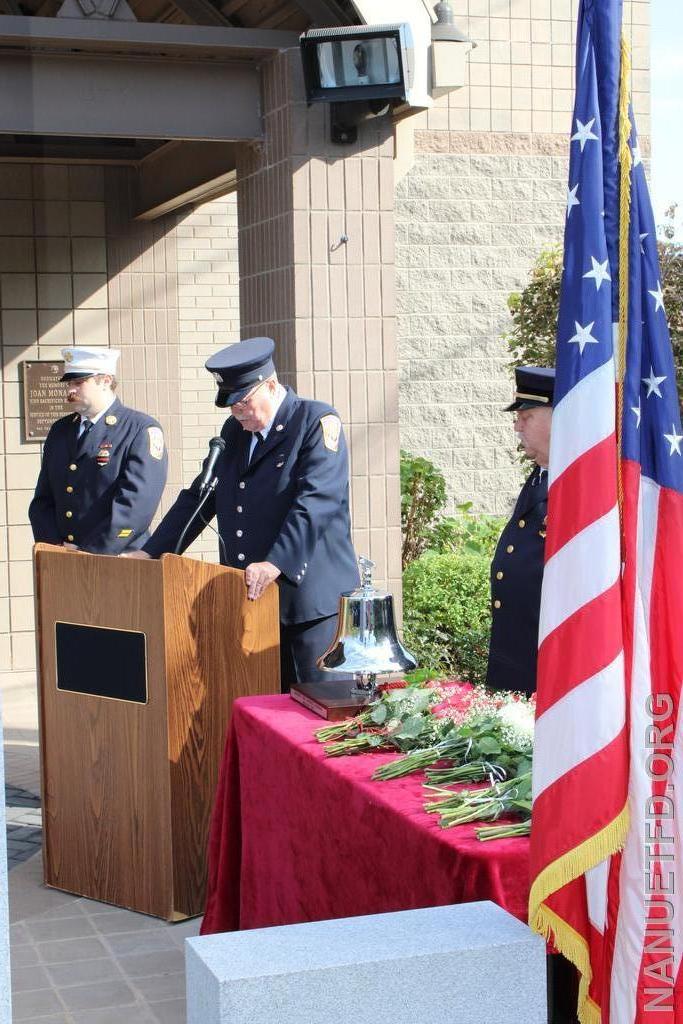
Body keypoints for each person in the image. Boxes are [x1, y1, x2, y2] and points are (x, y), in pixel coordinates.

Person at [124, 337, 360, 691]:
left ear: (270, 385)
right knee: (264, 709)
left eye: (244, 402)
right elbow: (200, 496)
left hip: (309, 602)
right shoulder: (234, 433)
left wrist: (275, 561)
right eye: (232, 406)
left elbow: (316, 501)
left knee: (317, 706)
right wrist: (152, 551)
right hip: (254, 598)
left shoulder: (315, 422)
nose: (238, 412)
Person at [29, 346, 168, 555]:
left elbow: (136, 507)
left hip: (116, 559)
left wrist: (90, 552)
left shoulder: (139, 429)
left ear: (105, 381)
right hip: (62, 559)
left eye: (78, 382)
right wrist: (54, 547)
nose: (70, 390)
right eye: (69, 383)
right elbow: (43, 501)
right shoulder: (60, 430)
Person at [486, 365, 555, 697]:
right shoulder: (540, 474)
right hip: (516, 652)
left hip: (547, 657)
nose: (517, 426)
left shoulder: (578, 482)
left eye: (526, 417)